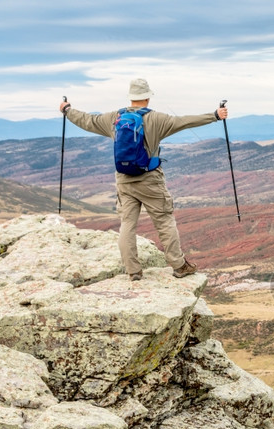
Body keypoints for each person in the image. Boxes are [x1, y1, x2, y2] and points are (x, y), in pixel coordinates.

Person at [59, 78, 228, 280]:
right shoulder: (157, 119)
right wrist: (215, 116)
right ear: (147, 97)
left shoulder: (114, 118)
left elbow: (87, 120)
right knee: (164, 221)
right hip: (150, 180)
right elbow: (185, 121)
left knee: (127, 224)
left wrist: (67, 109)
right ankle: (179, 266)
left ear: (131, 97)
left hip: (124, 180)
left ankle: (133, 271)